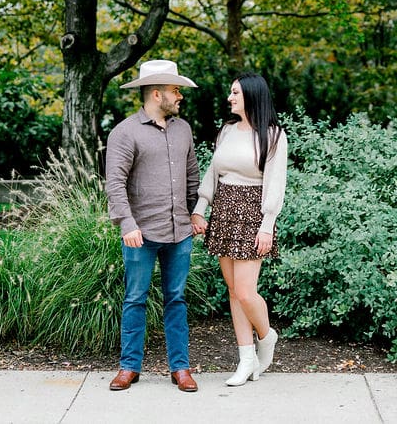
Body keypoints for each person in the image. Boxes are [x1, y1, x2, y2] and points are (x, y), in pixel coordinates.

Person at [106, 59, 201, 393]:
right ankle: (129, 367)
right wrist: (126, 223)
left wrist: (196, 212)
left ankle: (181, 368)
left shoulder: (183, 129)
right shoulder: (125, 132)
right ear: (157, 93)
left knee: (176, 298)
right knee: (135, 298)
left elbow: (193, 177)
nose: (181, 97)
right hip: (140, 235)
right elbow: (114, 183)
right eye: (176, 91)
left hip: (180, 233)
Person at [190, 72, 287, 387]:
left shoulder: (273, 135)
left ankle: (267, 335)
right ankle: (246, 359)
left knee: (246, 291)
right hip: (223, 211)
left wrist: (267, 225)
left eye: (235, 93)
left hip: (252, 214)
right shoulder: (227, 131)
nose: (230, 98)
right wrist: (200, 209)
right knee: (233, 291)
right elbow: (213, 173)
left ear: (251, 95)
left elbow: (275, 183)